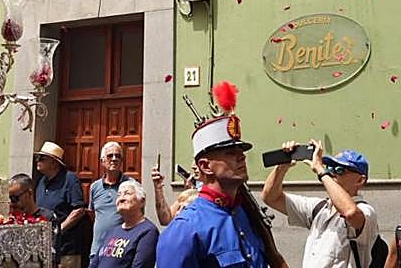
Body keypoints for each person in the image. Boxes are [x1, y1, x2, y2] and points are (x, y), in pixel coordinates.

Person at [156, 82, 284, 268]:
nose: (241, 156)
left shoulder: (246, 214)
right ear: (205, 166)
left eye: (240, 150)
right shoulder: (185, 229)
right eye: (230, 153)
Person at [262, 141, 379, 268]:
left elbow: (350, 213)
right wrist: (281, 167)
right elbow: (270, 198)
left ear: (360, 180)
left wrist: (321, 170)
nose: (332, 173)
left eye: (340, 170)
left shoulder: (366, 211)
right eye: (330, 168)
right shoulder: (319, 208)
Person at [36, 141, 91, 268]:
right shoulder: (41, 182)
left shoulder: (70, 179)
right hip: (45, 249)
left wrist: (58, 231)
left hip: (66, 250)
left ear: (54, 162)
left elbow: (79, 210)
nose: (38, 160)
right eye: (38, 158)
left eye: (42, 158)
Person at [90, 181, 159, 268]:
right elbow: (95, 263)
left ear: (142, 201)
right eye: (119, 195)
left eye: (127, 193)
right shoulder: (113, 231)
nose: (121, 198)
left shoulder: (148, 231)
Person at [91, 141, 135, 257]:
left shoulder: (131, 185)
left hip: (119, 251)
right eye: (110, 156)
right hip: (97, 250)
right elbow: (94, 215)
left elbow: (137, 216)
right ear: (102, 161)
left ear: (122, 161)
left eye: (118, 156)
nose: (114, 159)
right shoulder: (95, 187)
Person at [13, 173, 58, 264]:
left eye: (15, 198)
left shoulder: (48, 218)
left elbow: (52, 253)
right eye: (9, 198)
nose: (12, 203)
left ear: (29, 193)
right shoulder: (12, 219)